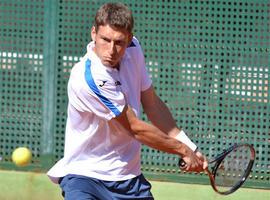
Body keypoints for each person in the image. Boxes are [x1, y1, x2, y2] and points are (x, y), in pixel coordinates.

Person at [47, 2, 207, 200]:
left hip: (129, 179)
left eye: (119, 42)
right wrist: (182, 149)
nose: (111, 50)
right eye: (105, 40)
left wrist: (190, 147)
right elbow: (134, 127)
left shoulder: (134, 49)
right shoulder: (89, 77)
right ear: (93, 34)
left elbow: (152, 103)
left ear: (129, 39)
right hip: (85, 176)